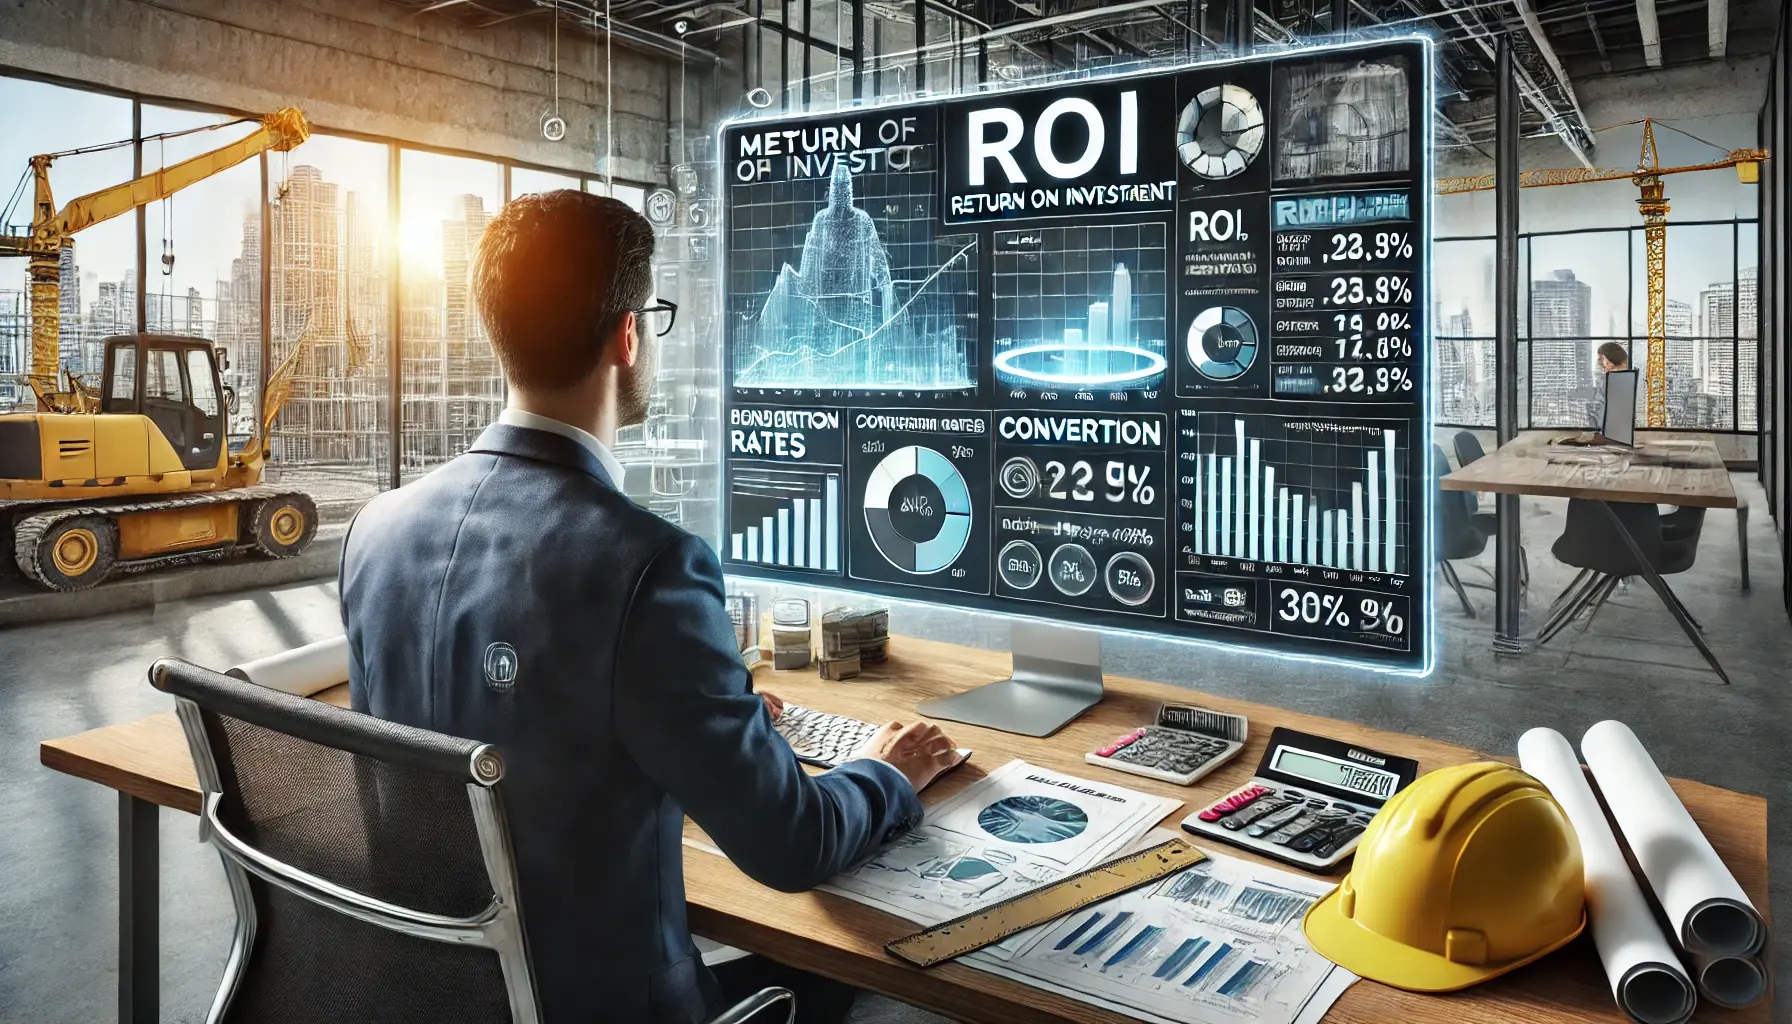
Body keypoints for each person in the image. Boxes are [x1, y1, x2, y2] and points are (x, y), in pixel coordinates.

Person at [338, 190, 960, 1024]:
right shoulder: (650, 568)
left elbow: (496, 734)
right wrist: (890, 770)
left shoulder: (373, 530)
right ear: (628, 336)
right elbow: (794, 844)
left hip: (440, 995)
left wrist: (706, 721)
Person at [1591, 342, 1631, 428]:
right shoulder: (1606, 376)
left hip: (1616, 424)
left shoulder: (1623, 376)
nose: (1600, 361)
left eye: (1602, 357)